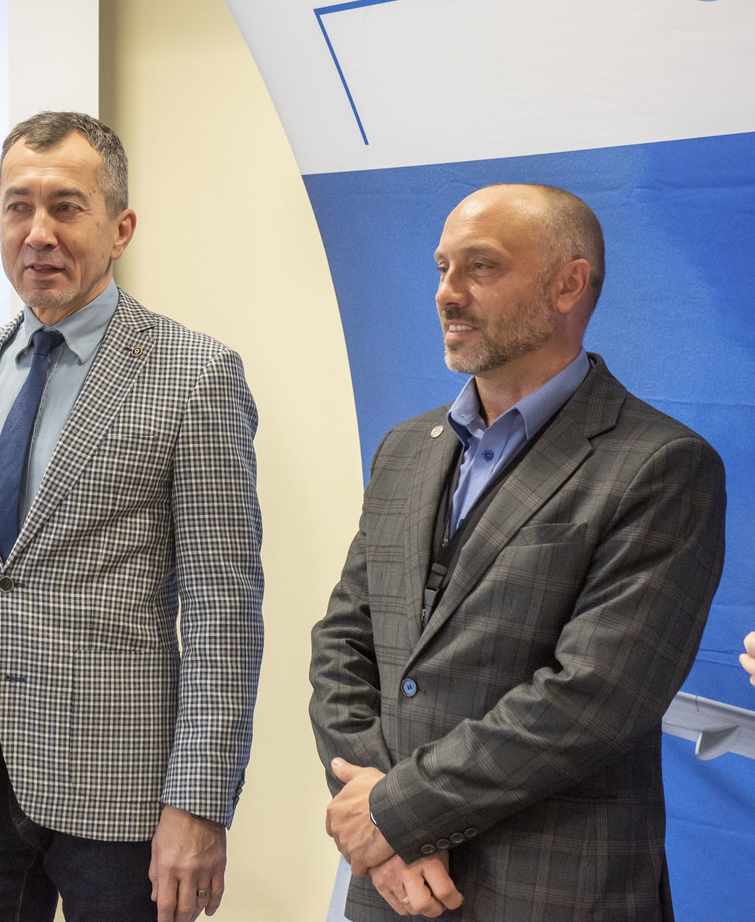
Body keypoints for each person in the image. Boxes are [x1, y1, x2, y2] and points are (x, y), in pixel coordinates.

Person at [0, 112, 264, 922]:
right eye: (19, 207)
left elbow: (222, 612)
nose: (38, 232)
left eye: (66, 207)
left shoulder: (196, 375)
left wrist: (199, 803)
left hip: (123, 800)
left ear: (120, 229)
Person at [310, 184, 725, 920]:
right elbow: (345, 641)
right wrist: (379, 818)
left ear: (568, 284)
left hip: (551, 893)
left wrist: (397, 813)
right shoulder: (406, 448)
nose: (447, 293)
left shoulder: (660, 466)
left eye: (481, 267)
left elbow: (592, 698)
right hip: (394, 889)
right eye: (442, 267)